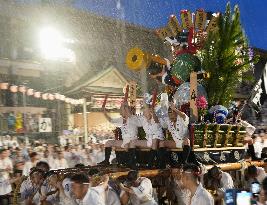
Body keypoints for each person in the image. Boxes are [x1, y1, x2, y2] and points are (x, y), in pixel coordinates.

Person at [99, 103, 140, 169]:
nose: (120, 111)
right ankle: (106, 161)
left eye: (121, 109)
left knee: (128, 144)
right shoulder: (121, 119)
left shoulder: (133, 118)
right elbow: (111, 120)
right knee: (108, 143)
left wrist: (126, 108)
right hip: (125, 140)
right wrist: (104, 112)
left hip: (133, 140)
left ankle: (131, 163)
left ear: (126, 110)